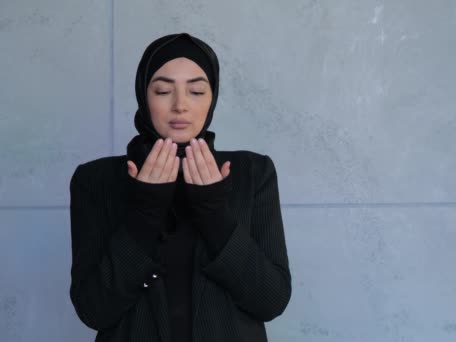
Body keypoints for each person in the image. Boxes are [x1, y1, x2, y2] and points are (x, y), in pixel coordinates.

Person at [69, 32, 291, 342]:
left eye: (197, 91)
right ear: (143, 96)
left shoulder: (252, 173)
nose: (180, 105)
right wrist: (144, 212)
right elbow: (93, 309)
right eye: (162, 90)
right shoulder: (96, 180)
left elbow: (271, 300)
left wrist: (214, 211)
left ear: (212, 97)